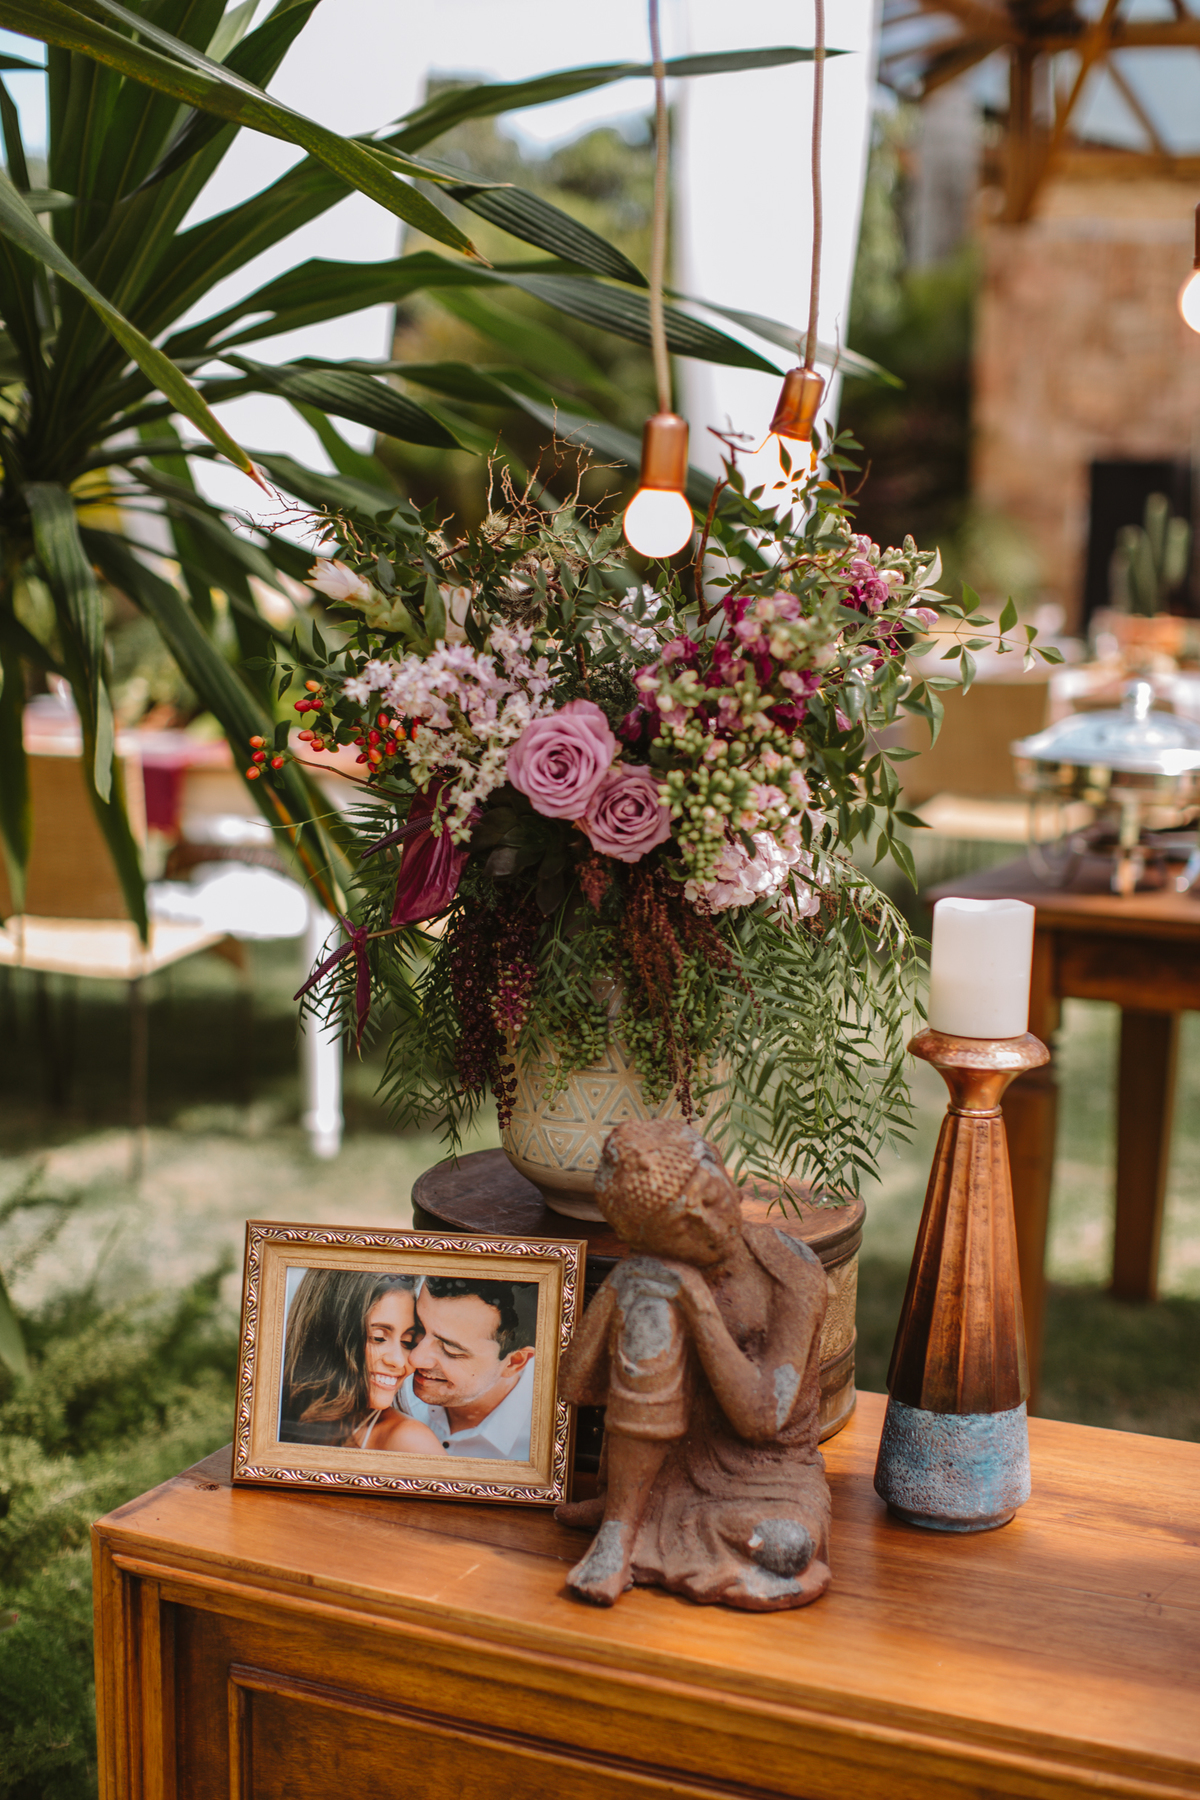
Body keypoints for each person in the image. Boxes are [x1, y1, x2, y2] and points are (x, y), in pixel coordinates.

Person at [554, 1119, 831, 1611]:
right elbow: (574, 1385)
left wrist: (696, 1300)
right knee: (651, 1305)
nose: (708, 1223)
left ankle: (648, 1527)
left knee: (787, 1546)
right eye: (681, 1225)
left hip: (766, 1474)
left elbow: (761, 1420)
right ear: (647, 1238)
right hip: (666, 1461)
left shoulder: (791, 1269)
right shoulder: (652, 1270)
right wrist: (624, 1281)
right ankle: (619, 1532)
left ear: (723, 1167)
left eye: (710, 1196)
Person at [279, 1269, 445, 1454]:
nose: (398, 1361)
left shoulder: (410, 1441)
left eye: (408, 1342)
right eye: (378, 1338)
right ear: (326, 1334)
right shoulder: (270, 1412)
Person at [397, 1276, 538, 1460]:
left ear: (514, 1362)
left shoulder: (539, 1449)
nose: (415, 1359)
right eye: (418, 1328)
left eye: (450, 1350)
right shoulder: (382, 1382)